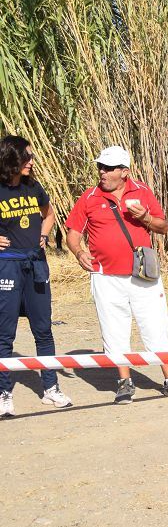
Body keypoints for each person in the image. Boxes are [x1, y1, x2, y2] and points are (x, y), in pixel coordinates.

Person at [66, 146, 168, 404]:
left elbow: (163, 227)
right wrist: (79, 253)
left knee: (155, 324)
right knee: (113, 329)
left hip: (143, 272)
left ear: (124, 171)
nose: (102, 172)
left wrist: (145, 217)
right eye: (100, 166)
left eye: (109, 168)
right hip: (105, 276)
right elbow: (73, 232)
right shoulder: (89, 197)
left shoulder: (142, 191)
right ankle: (124, 381)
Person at [0, 135, 72, 414]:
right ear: (11, 158)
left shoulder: (33, 186)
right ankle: (4, 392)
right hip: (7, 265)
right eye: (26, 157)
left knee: (43, 329)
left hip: (36, 265)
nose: (31, 162)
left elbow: (49, 214)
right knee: (5, 334)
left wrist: (43, 235)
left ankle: (51, 388)